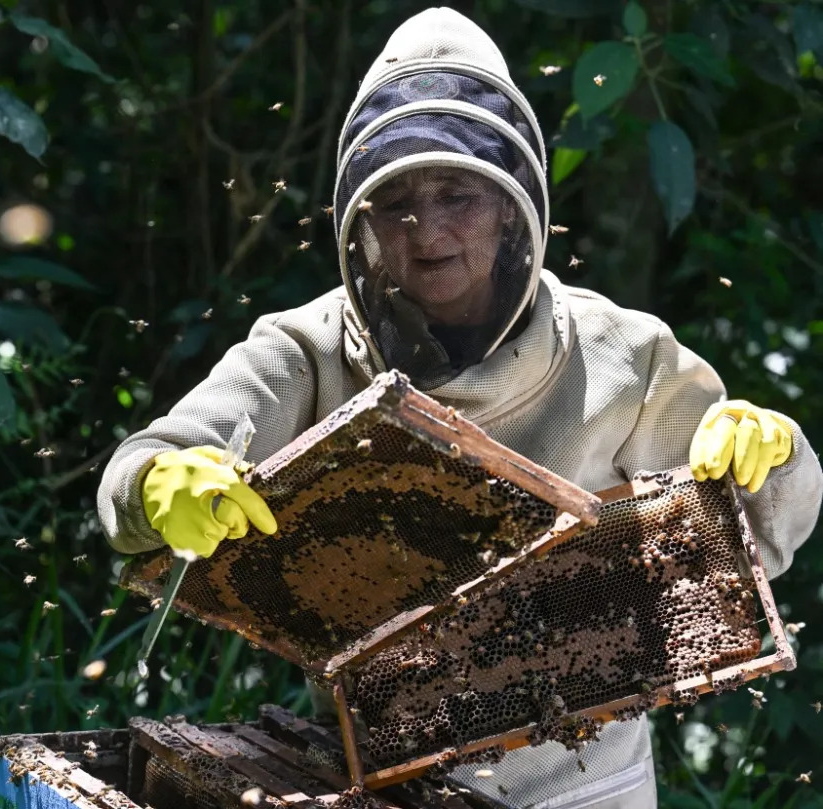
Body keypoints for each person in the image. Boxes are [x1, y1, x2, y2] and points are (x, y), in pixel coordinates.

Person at [98, 7, 822, 808]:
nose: (426, 230)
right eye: (396, 200)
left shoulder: (627, 353)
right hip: (377, 782)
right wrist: (158, 482)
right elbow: (141, 471)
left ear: (514, 207)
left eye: (457, 195)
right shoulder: (304, 349)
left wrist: (771, 455)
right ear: (357, 216)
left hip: (586, 788)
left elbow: (759, 537)